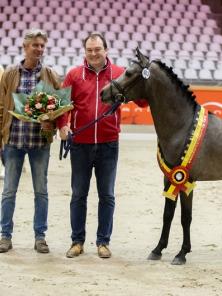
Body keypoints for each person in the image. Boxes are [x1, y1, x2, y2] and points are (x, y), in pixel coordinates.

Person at [57, 32, 146, 259]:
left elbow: (143, 102)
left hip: (109, 144)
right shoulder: (74, 75)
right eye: (90, 50)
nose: (94, 53)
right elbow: (63, 106)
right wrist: (63, 126)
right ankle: (77, 242)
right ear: (85, 52)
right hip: (80, 144)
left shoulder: (119, 74)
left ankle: (103, 242)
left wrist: (146, 78)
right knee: (78, 195)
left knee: (107, 195)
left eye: (98, 49)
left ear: (106, 50)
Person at [0, 29, 61, 253]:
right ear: (25, 47)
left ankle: (40, 237)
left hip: (39, 143)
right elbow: (0, 107)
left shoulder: (51, 75)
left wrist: (51, 124)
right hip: (13, 141)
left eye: (42, 46)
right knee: (8, 191)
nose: (39, 49)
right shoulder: (9, 74)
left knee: (41, 191)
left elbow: (58, 109)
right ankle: (5, 236)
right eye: (35, 45)